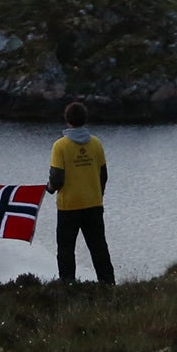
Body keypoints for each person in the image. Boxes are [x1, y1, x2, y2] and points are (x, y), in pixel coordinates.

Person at [48, 102, 114, 285]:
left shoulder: (60, 146)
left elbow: (57, 178)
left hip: (69, 206)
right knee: (99, 247)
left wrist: (50, 188)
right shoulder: (96, 143)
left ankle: (68, 285)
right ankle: (108, 284)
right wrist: (98, 195)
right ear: (85, 119)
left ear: (67, 120)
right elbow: (104, 175)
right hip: (93, 204)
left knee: (66, 249)